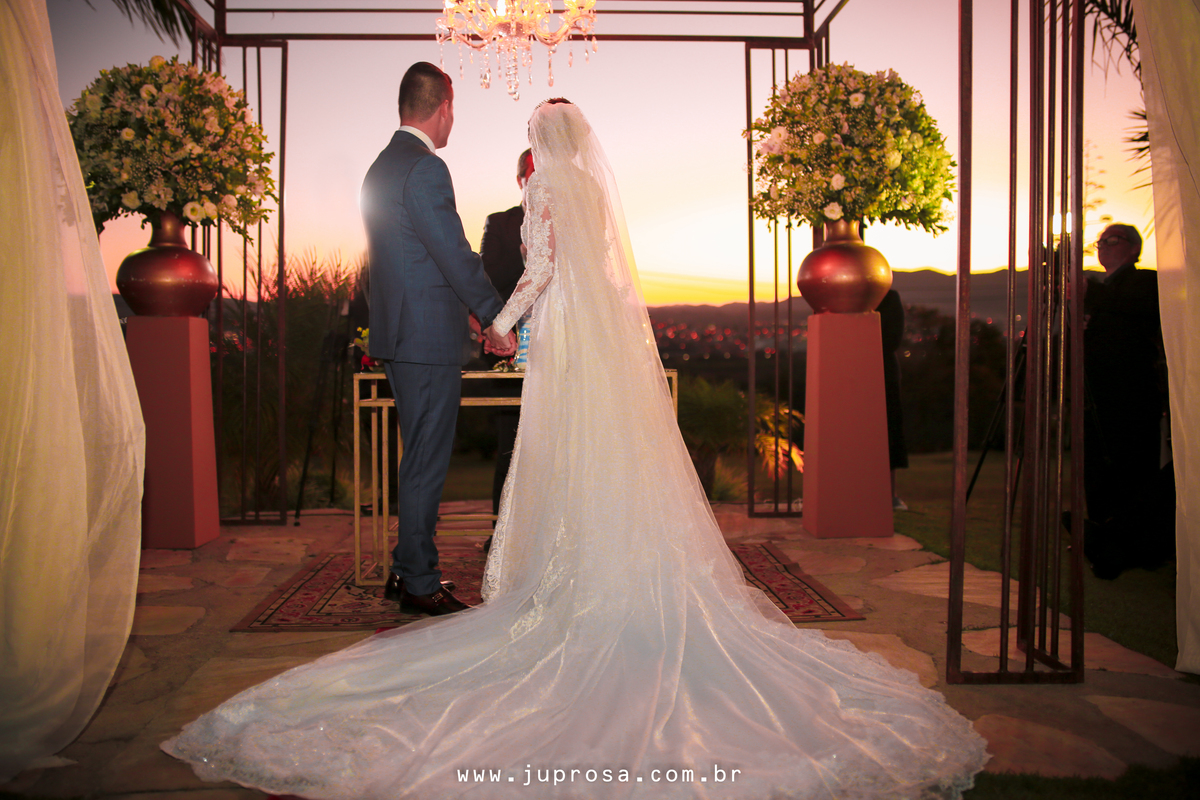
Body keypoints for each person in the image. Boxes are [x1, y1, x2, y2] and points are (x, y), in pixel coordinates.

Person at [162, 100, 988, 798]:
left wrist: (500, 324)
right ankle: (619, 581)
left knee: (564, 459)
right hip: (604, 348)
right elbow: (604, 273)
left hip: (559, 344)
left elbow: (541, 271)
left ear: (539, 144)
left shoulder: (544, 188)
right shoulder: (590, 186)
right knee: (614, 462)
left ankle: (572, 591)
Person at [359, 62, 516, 616]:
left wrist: (466, 316)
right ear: (443, 106)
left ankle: (407, 568)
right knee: (426, 461)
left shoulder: (381, 166)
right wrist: (495, 316)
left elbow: (411, 259)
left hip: (403, 334)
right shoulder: (426, 167)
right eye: (454, 108)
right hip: (424, 341)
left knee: (417, 457)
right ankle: (420, 583)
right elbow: (452, 253)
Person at [1082, 223, 1173, 579]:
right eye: (1100, 241)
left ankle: (1133, 541)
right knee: (1096, 467)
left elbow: (1138, 309)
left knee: (1133, 467)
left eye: (1112, 240)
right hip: (1096, 395)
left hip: (1133, 397)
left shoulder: (1146, 282)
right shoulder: (1100, 290)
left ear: (1134, 248)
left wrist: (1088, 292)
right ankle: (1100, 532)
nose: (1103, 246)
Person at [478, 149, 535, 547]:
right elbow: (487, 277)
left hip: (558, 344)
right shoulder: (500, 223)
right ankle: (503, 534)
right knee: (509, 445)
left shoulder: (573, 219)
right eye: (532, 172)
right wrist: (531, 249)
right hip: (508, 347)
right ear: (520, 181)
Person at [877, 288, 909, 511]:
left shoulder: (888, 297)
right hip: (850, 372)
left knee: (888, 434)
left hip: (884, 374)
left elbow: (891, 339)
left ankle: (889, 495)